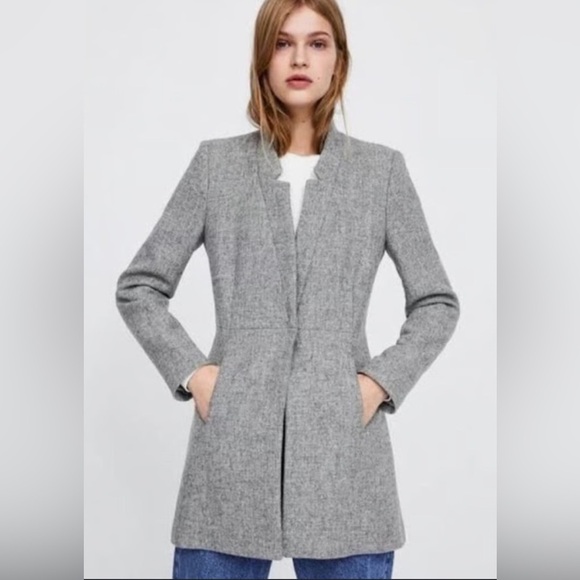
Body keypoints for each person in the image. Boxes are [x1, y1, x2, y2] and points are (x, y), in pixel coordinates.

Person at [115, 0, 461, 578]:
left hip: (345, 463)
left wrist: (376, 385)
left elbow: (436, 302)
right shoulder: (216, 166)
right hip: (229, 462)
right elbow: (140, 286)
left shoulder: (381, 173)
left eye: (317, 43)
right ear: (263, 58)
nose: (300, 58)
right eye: (283, 42)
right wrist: (196, 374)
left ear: (338, 61)